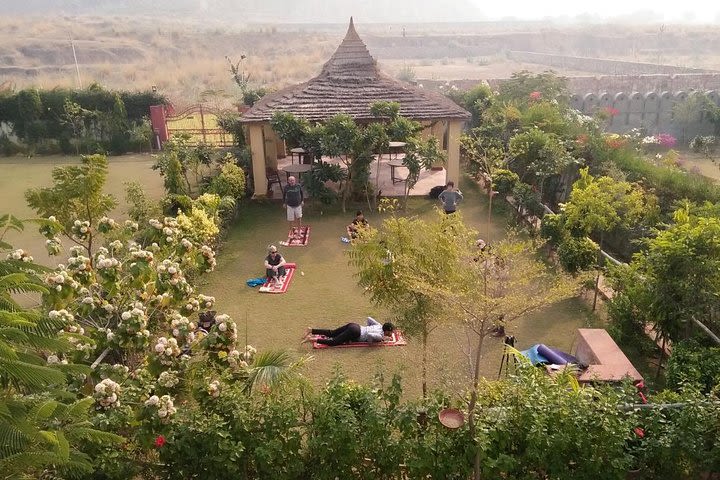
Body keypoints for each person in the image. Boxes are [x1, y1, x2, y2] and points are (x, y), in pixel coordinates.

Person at [301, 317, 394, 346]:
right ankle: (312, 339)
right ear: (387, 331)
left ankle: (311, 330)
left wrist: (368, 328)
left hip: (355, 325)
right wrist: (375, 343)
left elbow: (369, 318)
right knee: (334, 342)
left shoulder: (379, 325)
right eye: (391, 332)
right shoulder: (380, 335)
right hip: (355, 332)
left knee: (332, 333)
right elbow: (370, 336)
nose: (392, 334)